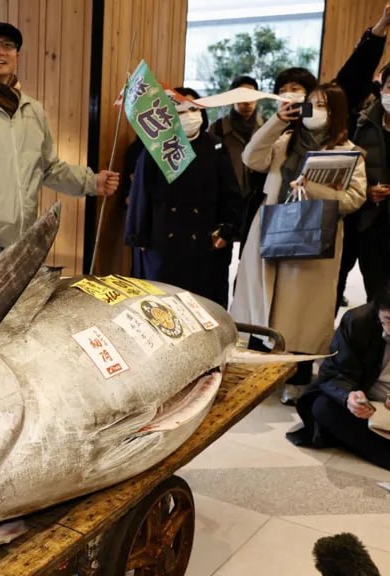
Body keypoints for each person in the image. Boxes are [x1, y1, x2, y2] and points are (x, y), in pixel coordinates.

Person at [0, 22, 119, 295]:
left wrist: (91, 182)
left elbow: (49, 167)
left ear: (17, 56)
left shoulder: (32, 110)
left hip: (22, 246)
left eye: (8, 46)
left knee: (14, 330)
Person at [230, 82, 367, 404]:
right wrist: (277, 120)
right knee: (262, 304)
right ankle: (256, 374)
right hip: (272, 227)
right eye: (310, 104)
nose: (314, 112)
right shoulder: (285, 141)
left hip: (313, 235)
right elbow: (252, 159)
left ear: (336, 114)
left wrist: (315, 189)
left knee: (301, 312)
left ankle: (298, 375)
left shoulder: (350, 153)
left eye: (323, 106)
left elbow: (354, 199)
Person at [125, 87, 242, 307]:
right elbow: (140, 196)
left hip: (204, 239)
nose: (189, 115)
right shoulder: (154, 148)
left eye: (194, 108)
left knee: (203, 304)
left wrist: (227, 229)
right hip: (163, 242)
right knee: (161, 304)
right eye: (181, 111)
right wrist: (138, 238)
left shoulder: (215, 146)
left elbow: (230, 193)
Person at [285, 288, 390, 472]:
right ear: (378, 310)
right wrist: (348, 396)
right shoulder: (359, 322)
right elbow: (333, 373)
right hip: (367, 401)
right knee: (323, 407)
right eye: (388, 320)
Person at [337, 4, 390, 310]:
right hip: (353, 216)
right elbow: (351, 78)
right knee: (330, 290)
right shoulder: (360, 113)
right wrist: (381, 26)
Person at [209, 75, 266, 249]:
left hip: (256, 199)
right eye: (241, 96)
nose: (247, 102)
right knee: (219, 255)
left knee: (252, 254)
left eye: (252, 96)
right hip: (226, 200)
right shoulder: (218, 128)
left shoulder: (267, 128)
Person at [350, 63, 390, 305]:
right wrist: (366, 192)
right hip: (371, 222)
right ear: (382, 89)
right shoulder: (362, 124)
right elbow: (349, 170)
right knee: (376, 294)